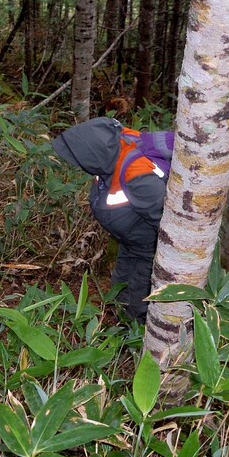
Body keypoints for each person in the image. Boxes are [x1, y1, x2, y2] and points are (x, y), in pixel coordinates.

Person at [51, 117, 171, 323]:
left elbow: (166, 221)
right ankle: (122, 323)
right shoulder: (108, 161)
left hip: (148, 251)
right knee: (119, 285)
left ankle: (137, 336)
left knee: (138, 298)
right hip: (131, 243)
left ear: (92, 155)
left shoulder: (138, 176)